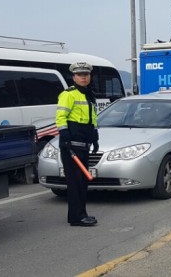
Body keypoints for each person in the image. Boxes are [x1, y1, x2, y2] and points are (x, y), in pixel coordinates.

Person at [56, 62, 99, 227]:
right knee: (75, 183)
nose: (83, 77)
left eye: (86, 74)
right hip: (71, 146)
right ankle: (77, 216)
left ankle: (81, 214)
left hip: (84, 144)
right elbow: (61, 116)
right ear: (74, 77)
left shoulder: (89, 94)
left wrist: (94, 137)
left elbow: (92, 118)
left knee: (82, 183)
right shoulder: (69, 95)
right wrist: (64, 135)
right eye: (80, 74)